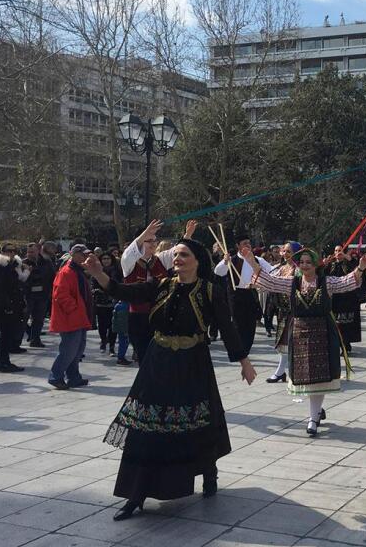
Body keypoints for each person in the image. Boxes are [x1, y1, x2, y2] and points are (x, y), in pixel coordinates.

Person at [83, 237, 257, 521]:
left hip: (193, 365)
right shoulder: (162, 285)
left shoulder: (210, 291)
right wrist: (99, 274)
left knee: (197, 422)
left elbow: (227, 328)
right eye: (175, 255)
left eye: (184, 255)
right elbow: (126, 292)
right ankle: (136, 494)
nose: (177, 259)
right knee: (146, 426)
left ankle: (208, 472)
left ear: (198, 261)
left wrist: (244, 361)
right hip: (157, 363)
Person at [248, 246, 366, 436]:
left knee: (318, 378)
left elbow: (347, 282)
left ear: (316, 265)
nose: (304, 266)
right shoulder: (292, 283)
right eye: (301, 262)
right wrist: (251, 262)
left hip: (322, 332)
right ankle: (317, 412)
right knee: (306, 377)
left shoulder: (326, 282)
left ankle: (313, 419)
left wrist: (361, 267)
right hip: (300, 333)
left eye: (308, 262)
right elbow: (270, 282)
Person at [121, 220, 194, 363]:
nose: (154, 244)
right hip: (139, 317)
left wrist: (187, 235)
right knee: (144, 355)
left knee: (161, 355)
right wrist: (143, 236)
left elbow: (177, 251)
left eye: (155, 241)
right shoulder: (129, 263)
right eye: (149, 241)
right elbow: (129, 253)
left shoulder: (160, 260)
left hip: (161, 315)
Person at [214, 231, 273, 358]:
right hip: (236, 294)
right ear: (238, 246)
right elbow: (218, 272)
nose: (248, 245)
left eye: (249, 243)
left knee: (251, 323)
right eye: (244, 243)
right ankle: (240, 349)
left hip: (251, 293)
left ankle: (246, 348)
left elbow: (272, 271)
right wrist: (225, 261)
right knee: (238, 323)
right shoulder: (232, 259)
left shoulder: (258, 260)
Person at [48, 245, 95, 390]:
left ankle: (74, 377)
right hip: (71, 318)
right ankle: (56, 376)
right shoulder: (67, 272)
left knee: (78, 350)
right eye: (82, 254)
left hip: (79, 317)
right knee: (69, 350)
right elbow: (60, 295)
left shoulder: (78, 271)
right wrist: (74, 309)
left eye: (85, 254)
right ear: (74, 254)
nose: (84, 257)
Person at [0, 244, 28, 373]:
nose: (11, 253)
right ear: (2, 252)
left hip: (13, 304)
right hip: (5, 306)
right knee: (5, 335)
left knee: (9, 334)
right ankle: (2, 362)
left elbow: (17, 284)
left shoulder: (12, 266)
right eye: (8, 251)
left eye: (13, 251)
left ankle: (4, 361)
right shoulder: (0, 267)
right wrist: (7, 306)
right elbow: (0, 290)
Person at [265, 241, 300, 383]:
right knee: (284, 342)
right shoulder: (281, 267)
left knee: (293, 342)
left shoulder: (298, 269)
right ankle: (282, 372)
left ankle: (290, 372)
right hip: (283, 310)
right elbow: (272, 280)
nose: (285, 254)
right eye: (283, 251)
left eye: (288, 251)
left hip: (295, 311)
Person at [324, 245, 362, 353]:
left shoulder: (348, 263)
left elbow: (357, 268)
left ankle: (346, 344)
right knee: (336, 323)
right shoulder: (331, 265)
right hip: (335, 298)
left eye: (340, 250)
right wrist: (324, 264)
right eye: (336, 250)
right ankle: (338, 344)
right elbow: (322, 275)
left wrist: (346, 256)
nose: (338, 252)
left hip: (347, 298)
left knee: (346, 323)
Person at [23, 242, 56, 348]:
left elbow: (52, 277)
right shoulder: (23, 263)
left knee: (39, 319)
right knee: (23, 317)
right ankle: (17, 341)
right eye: (28, 252)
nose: (29, 254)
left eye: (32, 252)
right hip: (28, 295)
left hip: (42, 295)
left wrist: (52, 292)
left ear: (38, 251)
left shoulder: (47, 262)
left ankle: (35, 339)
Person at [112, 300, 131, 365]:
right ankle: (121, 358)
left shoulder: (117, 305)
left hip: (120, 328)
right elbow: (125, 320)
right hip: (124, 328)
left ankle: (121, 357)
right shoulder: (126, 306)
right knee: (124, 342)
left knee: (122, 342)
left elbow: (114, 319)